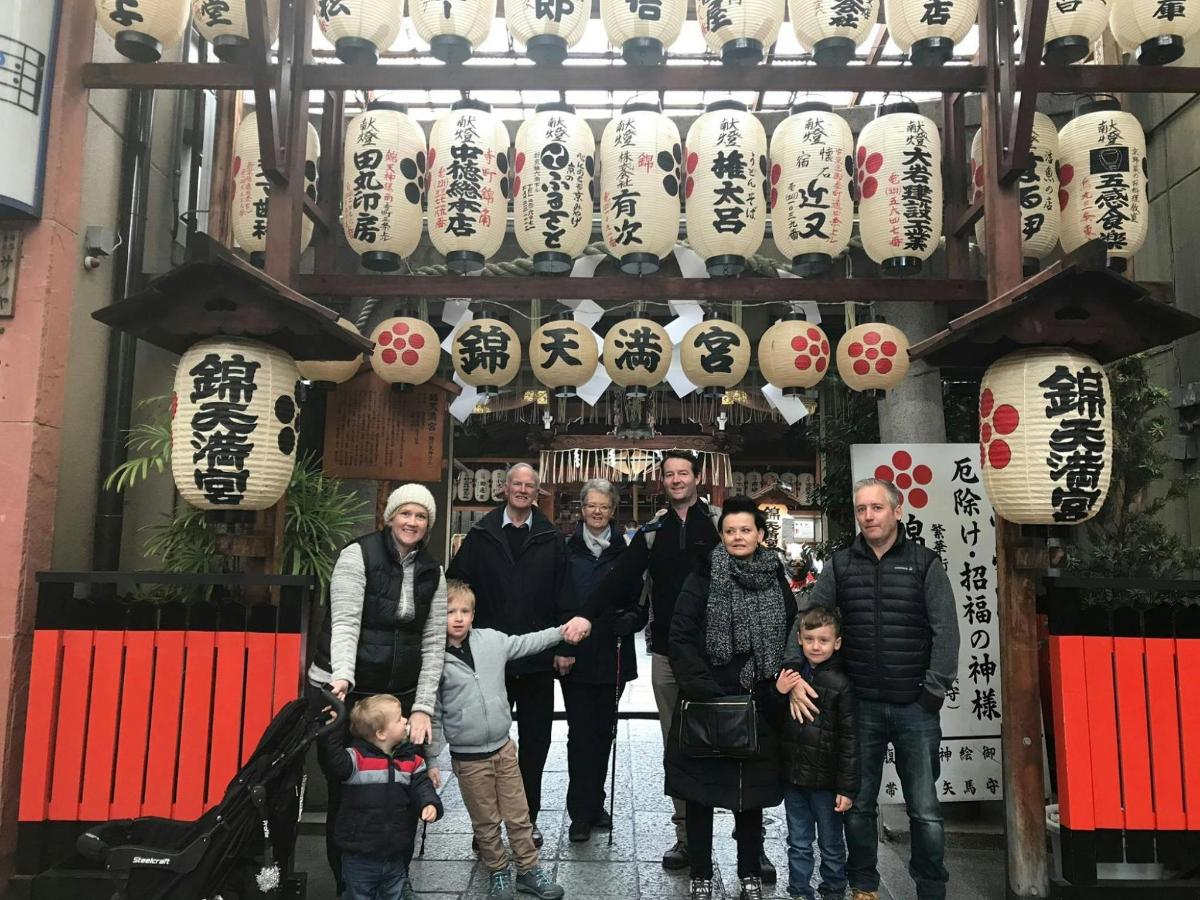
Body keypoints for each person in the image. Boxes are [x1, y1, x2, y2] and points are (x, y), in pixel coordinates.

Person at [567, 450, 742, 874]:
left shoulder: (722, 524)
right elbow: (618, 581)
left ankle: (749, 841)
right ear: (661, 482)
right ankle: (685, 837)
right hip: (667, 654)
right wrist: (585, 615)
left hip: (721, 655)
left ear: (697, 478)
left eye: (684, 473)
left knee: (734, 744)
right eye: (669, 474)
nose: (677, 479)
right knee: (677, 747)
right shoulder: (651, 533)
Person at [785, 478, 959, 900]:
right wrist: (793, 668)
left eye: (877, 508)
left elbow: (946, 632)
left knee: (925, 810)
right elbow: (809, 616)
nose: (868, 516)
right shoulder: (842, 565)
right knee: (858, 804)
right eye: (862, 509)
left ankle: (931, 888)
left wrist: (933, 691)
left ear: (897, 511)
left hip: (914, 707)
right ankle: (864, 884)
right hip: (859, 705)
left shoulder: (924, 563)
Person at [307, 483, 448, 895]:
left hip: (399, 697)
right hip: (350, 691)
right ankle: (346, 884)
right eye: (405, 513)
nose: (412, 522)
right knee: (349, 791)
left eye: (421, 516)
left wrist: (422, 707)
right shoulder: (358, 555)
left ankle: (394, 882)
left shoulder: (433, 571)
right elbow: (347, 622)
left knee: (401, 789)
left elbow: (433, 641)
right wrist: (343, 680)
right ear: (390, 517)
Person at [666, 496, 797, 900]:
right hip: (709, 696)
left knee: (750, 792)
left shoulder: (775, 574)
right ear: (721, 535)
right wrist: (705, 690)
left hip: (759, 695)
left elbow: (791, 628)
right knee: (702, 790)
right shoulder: (704, 575)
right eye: (730, 531)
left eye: (746, 530)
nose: (738, 537)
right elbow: (681, 636)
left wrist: (775, 684)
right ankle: (702, 870)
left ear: (760, 534)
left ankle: (749, 869)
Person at [445, 462, 575, 847]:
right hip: (488, 659)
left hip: (535, 658)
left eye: (529, 486)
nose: (522, 490)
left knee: (535, 742)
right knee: (486, 746)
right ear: (505, 489)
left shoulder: (551, 537)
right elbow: (457, 584)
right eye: (516, 484)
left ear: (538, 492)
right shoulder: (482, 533)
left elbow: (565, 593)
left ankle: (527, 818)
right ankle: (486, 826)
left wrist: (565, 646)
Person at [429, 580, 570, 900]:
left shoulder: (491, 641)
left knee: (519, 814)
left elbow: (526, 643)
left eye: (465, 611)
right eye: (450, 611)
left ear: (474, 614)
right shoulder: (435, 659)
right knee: (486, 820)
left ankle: (529, 869)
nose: (458, 618)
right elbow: (433, 713)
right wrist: (430, 758)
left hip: (503, 748)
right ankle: (498, 871)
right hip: (469, 757)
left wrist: (561, 631)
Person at [562, 478, 647, 843]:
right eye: (591, 506)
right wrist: (559, 648)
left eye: (605, 507)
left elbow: (640, 600)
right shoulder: (566, 550)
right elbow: (557, 602)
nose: (597, 512)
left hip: (612, 652)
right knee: (580, 734)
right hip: (576, 655)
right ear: (581, 509)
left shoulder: (626, 551)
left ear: (613, 511)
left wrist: (634, 620)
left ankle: (596, 803)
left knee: (604, 731)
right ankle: (579, 811)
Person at [316, 694, 444, 900]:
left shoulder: (411, 760)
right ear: (381, 733)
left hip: (396, 853)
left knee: (394, 895)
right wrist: (333, 728)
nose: (405, 720)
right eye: (399, 718)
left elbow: (422, 786)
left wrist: (429, 803)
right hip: (358, 856)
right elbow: (333, 760)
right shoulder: (355, 760)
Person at [776, 605, 858, 900]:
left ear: (837, 643)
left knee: (831, 843)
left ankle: (833, 891)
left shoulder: (842, 685)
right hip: (794, 779)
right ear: (799, 639)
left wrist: (847, 788)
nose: (815, 646)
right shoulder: (790, 679)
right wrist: (779, 691)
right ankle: (799, 891)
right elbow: (774, 721)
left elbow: (850, 740)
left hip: (827, 783)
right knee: (798, 841)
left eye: (823, 640)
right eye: (809, 639)